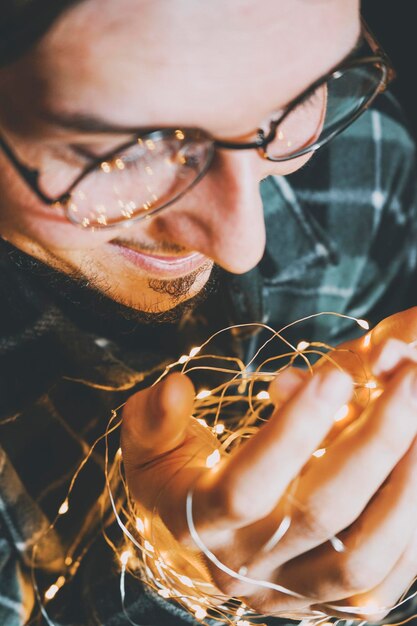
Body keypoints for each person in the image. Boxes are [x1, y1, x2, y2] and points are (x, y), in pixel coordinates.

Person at [0, 0, 417, 624]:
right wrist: (172, 576)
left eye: (287, 104)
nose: (242, 246)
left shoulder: (361, 155)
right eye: (123, 150)